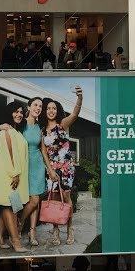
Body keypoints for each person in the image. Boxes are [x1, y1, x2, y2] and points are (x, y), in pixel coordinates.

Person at [0, 96, 55, 248]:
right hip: (23, 165)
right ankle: (13, 227)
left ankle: (30, 231)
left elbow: (43, 149)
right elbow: (8, 134)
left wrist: (49, 169)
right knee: (20, 200)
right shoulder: (21, 123)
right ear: (29, 107)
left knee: (35, 201)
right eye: (35, 105)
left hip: (37, 165)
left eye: (40, 106)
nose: (38, 108)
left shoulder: (40, 126)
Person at [42, 87, 83, 245]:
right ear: (45, 112)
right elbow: (44, 153)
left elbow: (75, 113)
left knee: (66, 197)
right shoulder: (43, 131)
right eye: (48, 108)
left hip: (66, 167)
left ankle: (69, 228)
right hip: (52, 169)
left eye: (53, 108)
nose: (51, 110)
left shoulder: (63, 124)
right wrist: (50, 170)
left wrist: (79, 98)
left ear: (57, 110)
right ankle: (56, 230)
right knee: (54, 199)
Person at [0, 101, 30, 253]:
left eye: (20, 112)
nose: (18, 114)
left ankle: (0, 236)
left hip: (14, 172)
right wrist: (15, 173)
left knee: (11, 205)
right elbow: (9, 153)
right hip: (7, 173)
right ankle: (15, 241)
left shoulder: (15, 131)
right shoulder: (6, 130)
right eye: (15, 111)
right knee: (9, 206)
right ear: (9, 113)